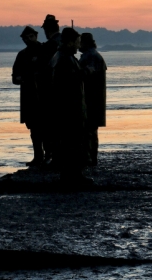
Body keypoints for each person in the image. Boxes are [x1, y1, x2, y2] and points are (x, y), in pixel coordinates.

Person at [51, 28, 92, 185]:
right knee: (72, 143)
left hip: (70, 108)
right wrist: (87, 72)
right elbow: (70, 81)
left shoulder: (63, 57)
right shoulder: (64, 59)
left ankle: (73, 174)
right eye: (76, 42)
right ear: (69, 42)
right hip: (69, 109)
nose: (78, 45)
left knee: (72, 143)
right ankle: (72, 176)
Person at [12, 26, 44, 166]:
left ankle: (50, 155)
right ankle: (38, 156)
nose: (28, 40)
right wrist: (23, 78)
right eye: (26, 38)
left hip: (44, 96)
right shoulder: (22, 55)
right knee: (33, 129)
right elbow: (14, 77)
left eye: (30, 36)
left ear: (36, 36)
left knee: (47, 127)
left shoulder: (45, 51)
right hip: (29, 97)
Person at [36, 14, 62, 164]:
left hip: (50, 91)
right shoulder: (61, 43)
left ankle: (53, 156)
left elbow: (44, 66)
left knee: (50, 126)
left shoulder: (51, 45)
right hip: (59, 90)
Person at [79, 32, 107, 167]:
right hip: (93, 100)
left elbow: (87, 74)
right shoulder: (92, 55)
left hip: (91, 100)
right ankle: (90, 158)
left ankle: (89, 159)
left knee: (88, 131)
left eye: (80, 42)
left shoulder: (91, 57)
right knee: (90, 131)